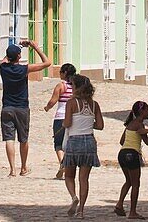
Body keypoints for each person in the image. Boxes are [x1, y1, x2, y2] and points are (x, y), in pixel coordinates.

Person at [0, 38, 51, 177]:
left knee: (9, 139)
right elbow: (47, 63)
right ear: (19, 57)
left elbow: (4, 59)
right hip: (22, 107)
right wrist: (34, 46)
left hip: (7, 107)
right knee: (23, 139)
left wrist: (16, 47)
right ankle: (23, 167)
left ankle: (12, 169)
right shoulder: (24, 69)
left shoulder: (3, 68)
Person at [63, 74, 103, 218]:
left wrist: (65, 124)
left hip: (74, 141)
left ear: (77, 87)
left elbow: (67, 123)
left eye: (72, 85)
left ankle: (74, 197)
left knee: (69, 175)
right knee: (84, 179)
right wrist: (87, 123)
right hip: (89, 142)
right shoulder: (94, 104)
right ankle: (81, 211)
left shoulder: (71, 103)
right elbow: (100, 125)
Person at [115, 100, 148, 219]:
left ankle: (119, 204)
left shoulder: (129, 124)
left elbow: (122, 141)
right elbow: (147, 141)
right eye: (147, 109)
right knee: (136, 184)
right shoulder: (139, 124)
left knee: (128, 181)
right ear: (142, 111)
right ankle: (132, 212)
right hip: (132, 154)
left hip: (122, 154)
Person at [44, 61, 76, 178]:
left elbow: (53, 100)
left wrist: (47, 107)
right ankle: (65, 164)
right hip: (73, 118)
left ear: (65, 73)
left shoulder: (61, 86)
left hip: (60, 117)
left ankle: (62, 163)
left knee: (58, 143)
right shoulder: (76, 86)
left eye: (60, 72)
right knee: (69, 142)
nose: (59, 75)